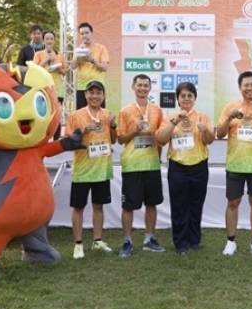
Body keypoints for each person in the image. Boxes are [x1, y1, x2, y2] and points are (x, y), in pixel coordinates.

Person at [216, 71, 252, 257]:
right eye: (246, 85)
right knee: (233, 202)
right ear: (240, 87)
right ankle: (230, 242)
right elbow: (219, 134)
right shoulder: (230, 107)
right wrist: (229, 118)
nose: (249, 88)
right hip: (235, 164)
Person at [156, 82, 214, 254]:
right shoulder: (170, 117)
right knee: (179, 206)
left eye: (190, 95)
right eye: (183, 96)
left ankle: (194, 241)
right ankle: (180, 242)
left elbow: (209, 140)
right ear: (178, 99)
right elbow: (161, 139)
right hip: (178, 167)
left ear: (195, 98)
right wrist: (174, 122)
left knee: (196, 205)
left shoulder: (202, 116)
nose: (186, 98)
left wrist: (205, 130)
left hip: (199, 166)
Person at [65, 80, 116, 259]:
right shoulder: (75, 115)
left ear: (103, 96)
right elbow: (68, 142)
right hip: (82, 170)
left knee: (98, 206)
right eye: (91, 92)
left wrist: (113, 125)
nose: (95, 96)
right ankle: (78, 244)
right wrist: (84, 130)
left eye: (98, 93)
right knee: (78, 207)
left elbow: (114, 140)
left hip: (102, 169)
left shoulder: (108, 114)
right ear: (86, 95)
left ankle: (97, 240)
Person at [116, 74, 165, 257]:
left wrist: (158, 157)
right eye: (139, 85)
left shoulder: (157, 110)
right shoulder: (125, 111)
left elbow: (161, 138)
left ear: (150, 88)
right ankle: (127, 241)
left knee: (152, 203)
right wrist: (134, 131)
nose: (143, 88)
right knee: (128, 206)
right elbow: (121, 139)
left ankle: (149, 239)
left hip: (152, 164)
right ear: (133, 87)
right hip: (132, 164)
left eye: (146, 85)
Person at [33, 30, 66, 140]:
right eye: (47, 39)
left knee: (57, 115)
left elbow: (64, 72)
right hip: (43, 89)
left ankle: (56, 140)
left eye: (51, 39)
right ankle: (43, 139)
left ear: (54, 41)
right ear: (43, 41)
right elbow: (34, 70)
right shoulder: (38, 54)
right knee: (43, 114)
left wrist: (57, 67)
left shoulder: (60, 55)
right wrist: (45, 60)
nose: (49, 41)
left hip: (57, 89)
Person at [71, 22, 109, 109]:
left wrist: (92, 60)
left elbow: (105, 68)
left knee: (99, 113)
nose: (85, 35)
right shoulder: (78, 50)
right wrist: (78, 55)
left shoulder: (101, 48)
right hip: (82, 87)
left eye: (87, 33)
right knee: (81, 114)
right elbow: (73, 66)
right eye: (82, 34)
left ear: (91, 33)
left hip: (97, 86)